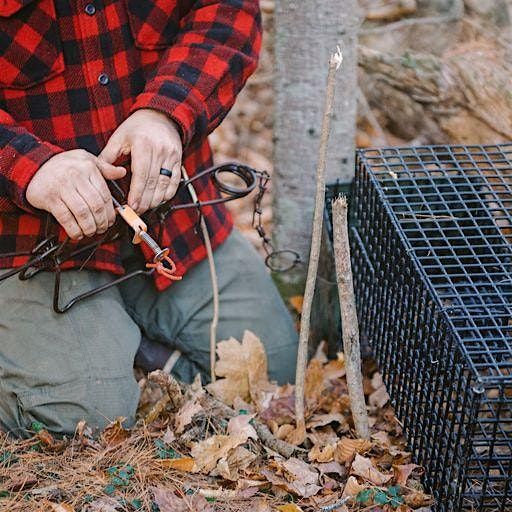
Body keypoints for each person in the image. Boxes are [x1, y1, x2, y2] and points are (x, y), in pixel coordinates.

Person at [0, 0, 298, 437]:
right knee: (85, 420)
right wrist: (26, 166)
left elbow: (226, 12)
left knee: (274, 369)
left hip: (168, 220)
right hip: (29, 242)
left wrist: (166, 112)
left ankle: (123, 345)